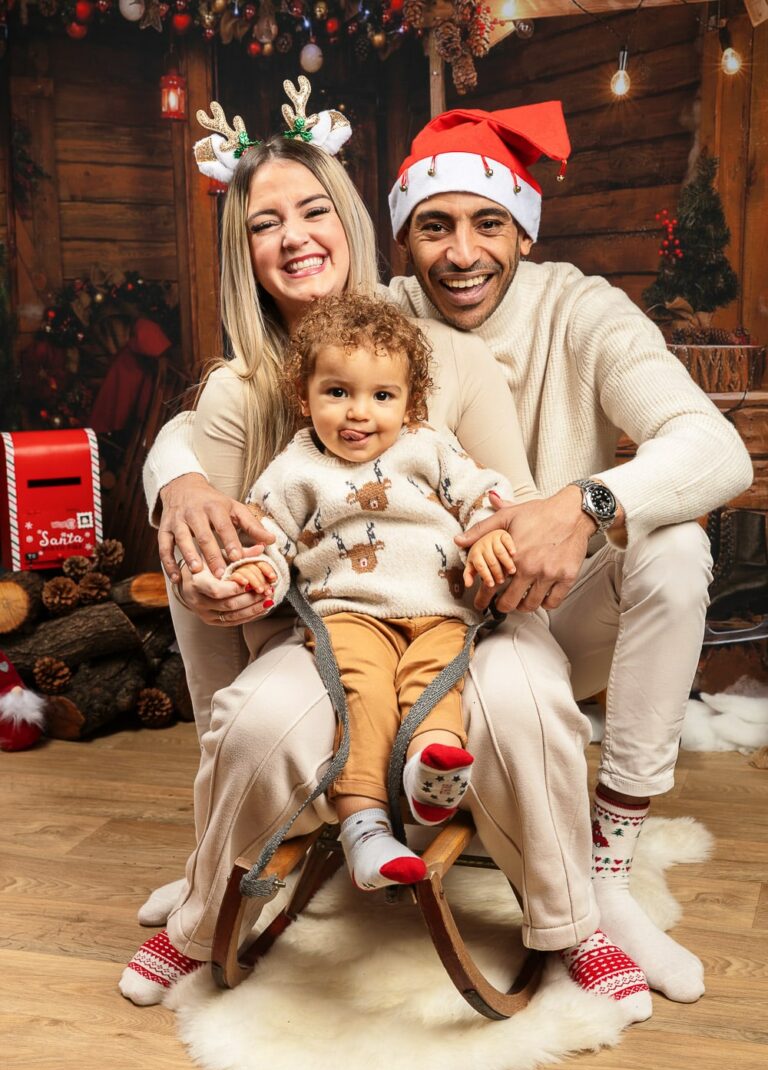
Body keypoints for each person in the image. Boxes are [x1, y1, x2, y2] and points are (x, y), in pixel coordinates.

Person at [141, 96, 753, 1007]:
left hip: (525, 598)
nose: (461, 252)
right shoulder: (370, 323)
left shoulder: (579, 312)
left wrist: (583, 505)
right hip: (353, 613)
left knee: (672, 549)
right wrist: (176, 483)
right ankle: (227, 850)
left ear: (523, 230)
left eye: (487, 223)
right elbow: (211, 421)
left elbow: (716, 449)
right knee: (196, 535)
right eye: (435, 226)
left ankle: (606, 877)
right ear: (400, 238)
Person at [223, 291, 520, 891]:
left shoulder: (429, 444)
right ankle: (365, 831)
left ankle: (430, 776)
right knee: (364, 698)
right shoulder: (295, 468)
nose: (359, 413)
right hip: (351, 615)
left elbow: (481, 491)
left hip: (440, 612)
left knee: (438, 687)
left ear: (410, 403)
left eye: (382, 396)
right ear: (304, 396)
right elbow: (271, 540)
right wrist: (258, 573)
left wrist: (490, 534)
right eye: (338, 392)